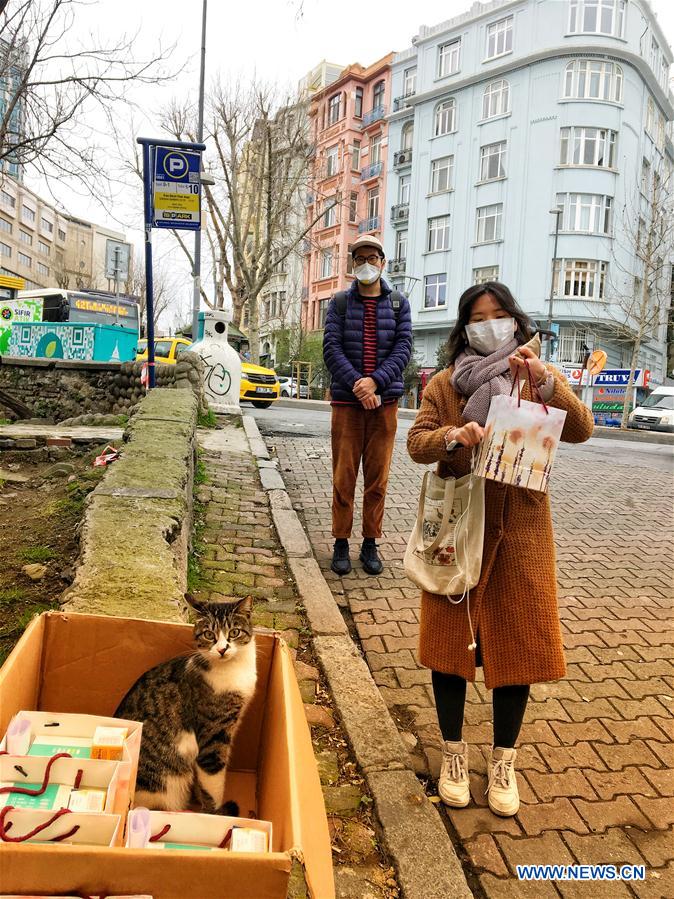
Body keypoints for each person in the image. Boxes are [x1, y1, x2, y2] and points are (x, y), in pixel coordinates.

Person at [407, 281, 593, 817]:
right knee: (449, 644)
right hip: (460, 525)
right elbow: (418, 442)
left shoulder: (534, 373)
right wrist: (453, 436)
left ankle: (505, 760)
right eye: (478, 318)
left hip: (522, 530)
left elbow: (581, 429)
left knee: (519, 646)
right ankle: (453, 754)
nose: (490, 325)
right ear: (464, 328)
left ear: (516, 319)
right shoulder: (446, 383)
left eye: (499, 315)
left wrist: (548, 385)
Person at [323, 235, 413, 576]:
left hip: (384, 404)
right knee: (343, 476)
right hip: (347, 404)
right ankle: (341, 542)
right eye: (359, 258)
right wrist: (360, 387)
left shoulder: (398, 304)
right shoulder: (340, 302)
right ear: (352, 264)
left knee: (378, 479)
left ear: (383, 262)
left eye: (372, 257)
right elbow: (332, 349)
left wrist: (375, 382)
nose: (366, 263)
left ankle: (370, 542)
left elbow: (403, 349)